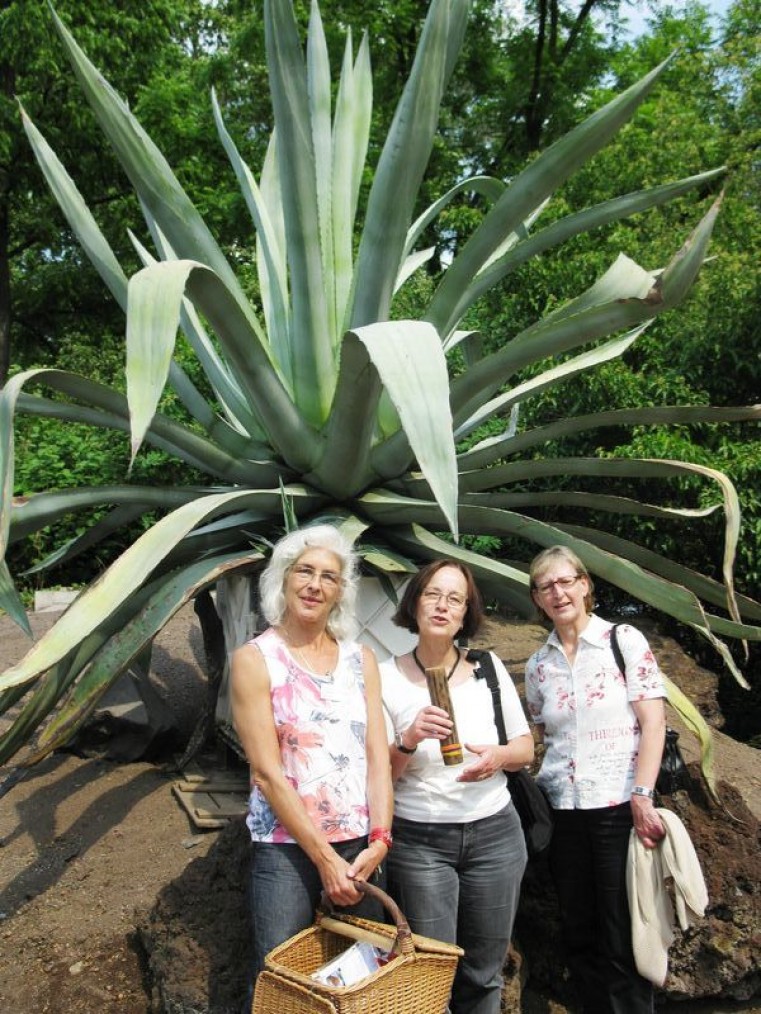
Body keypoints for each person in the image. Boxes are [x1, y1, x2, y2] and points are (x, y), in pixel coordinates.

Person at [231, 524, 393, 996]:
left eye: (328, 577)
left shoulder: (360, 659)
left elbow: (377, 758)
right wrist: (324, 859)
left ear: (340, 592)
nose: (314, 585)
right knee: (282, 982)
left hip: (360, 847)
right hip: (287, 848)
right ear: (283, 579)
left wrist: (380, 839)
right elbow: (266, 773)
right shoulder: (255, 659)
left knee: (365, 979)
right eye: (304, 571)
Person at [380, 560, 534, 1014]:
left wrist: (498, 757)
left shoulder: (488, 668)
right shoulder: (384, 676)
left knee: (484, 974)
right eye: (433, 594)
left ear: (466, 613)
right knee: (431, 975)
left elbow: (525, 748)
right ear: (415, 602)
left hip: (495, 834)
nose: (442, 606)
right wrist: (408, 739)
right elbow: (380, 775)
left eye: (455, 599)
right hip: (421, 840)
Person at [524, 545, 667, 1014]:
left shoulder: (622, 641)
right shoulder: (538, 665)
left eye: (566, 582)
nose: (558, 593)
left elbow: (653, 723)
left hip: (617, 806)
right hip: (563, 811)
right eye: (546, 586)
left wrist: (642, 796)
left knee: (622, 932)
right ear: (537, 598)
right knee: (578, 929)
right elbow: (542, 735)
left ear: (585, 585)